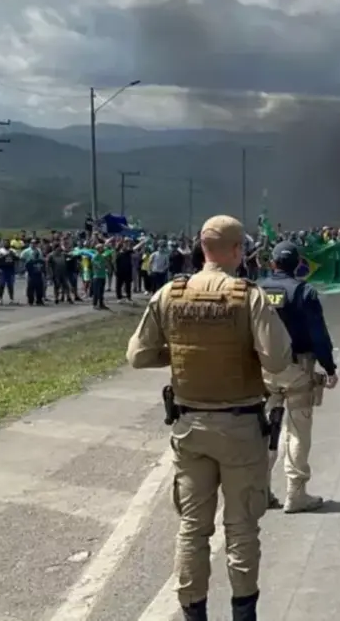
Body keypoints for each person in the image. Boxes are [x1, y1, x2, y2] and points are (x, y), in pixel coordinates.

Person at [126, 214, 295, 621]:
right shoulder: (247, 296)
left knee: (192, 528)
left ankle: (193, 613)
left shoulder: (170, 293)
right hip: (239, 427)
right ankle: (243, 614)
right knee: (241, 529)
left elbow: (137, 355)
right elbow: (277, 358)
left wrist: (181, 352)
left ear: (203, 247)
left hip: (190, 427)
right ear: (236, 250)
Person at [259, 240, 338, 513]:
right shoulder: (304, 292)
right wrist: (329, 368)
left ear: (272, 263)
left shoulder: (257, 290)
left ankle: (261, 490)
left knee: (266, 430)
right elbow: (319, 335)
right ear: (299, 265)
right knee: (297, 431)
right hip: (297, 368)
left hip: (264, 369)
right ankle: (296, 493)